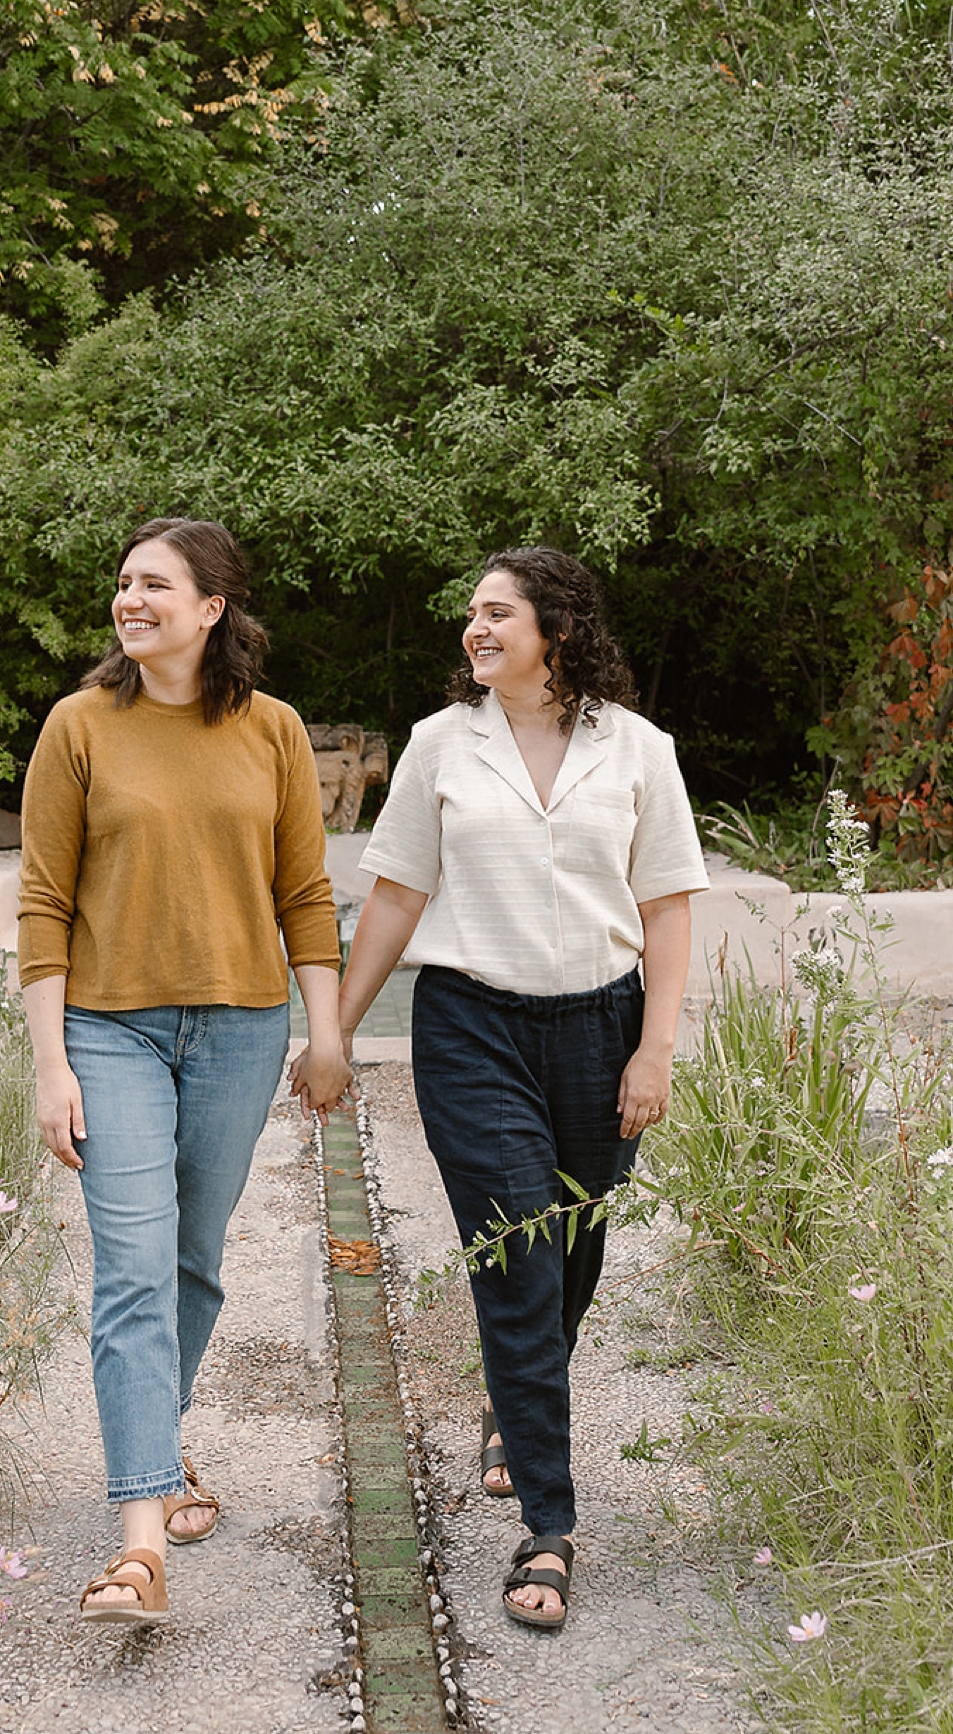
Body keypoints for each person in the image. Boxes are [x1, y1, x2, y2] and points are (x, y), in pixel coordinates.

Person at [292, 545, 706, 1632]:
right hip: (472, 1021)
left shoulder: (637, 747)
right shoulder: (441, 744)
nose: (475, 630)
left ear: (555, 629)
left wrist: (654, 1048)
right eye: (470, 615)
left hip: (603, 1023)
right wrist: (328, 1027)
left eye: (496, 613)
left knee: (572, 1246)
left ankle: (510, 1407)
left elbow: (667, 905)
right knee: (520, 1246)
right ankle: (551, 1522)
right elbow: (393, 897)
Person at [18, 517, 351, 1627]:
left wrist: (329, 1028)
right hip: (110, 1028)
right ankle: (139, 1541)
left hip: (242, 1028)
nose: (130, 599)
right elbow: (42, 905)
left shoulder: (274, 730)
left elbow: (305, 891)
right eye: (122, 583)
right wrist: (48, 1062)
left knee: (194, 1262)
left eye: (154, 584)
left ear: (212, 607)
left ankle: (159, 1443)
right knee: (130, 1266)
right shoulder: (78, 726)